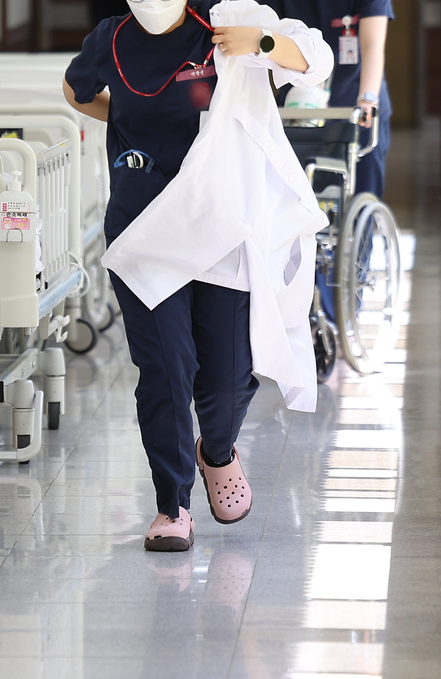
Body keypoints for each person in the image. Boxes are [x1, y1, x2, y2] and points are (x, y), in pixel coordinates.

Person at [63, 0, 332, 551]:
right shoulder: (110, 40)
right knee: (166, 367)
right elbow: (75, 90)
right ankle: (173, 504)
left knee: (227, 377)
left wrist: (258, 42)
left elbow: (316, 59)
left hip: (221, 228)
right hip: (145, 231)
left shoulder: (226, 21)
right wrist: (124, 119)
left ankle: (219, 450)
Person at [266, 0, 391, 197]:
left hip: (356, 107)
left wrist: (367, 100)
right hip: (297, 106)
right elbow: (263, 36)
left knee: (360, 194)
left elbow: (373, 46)